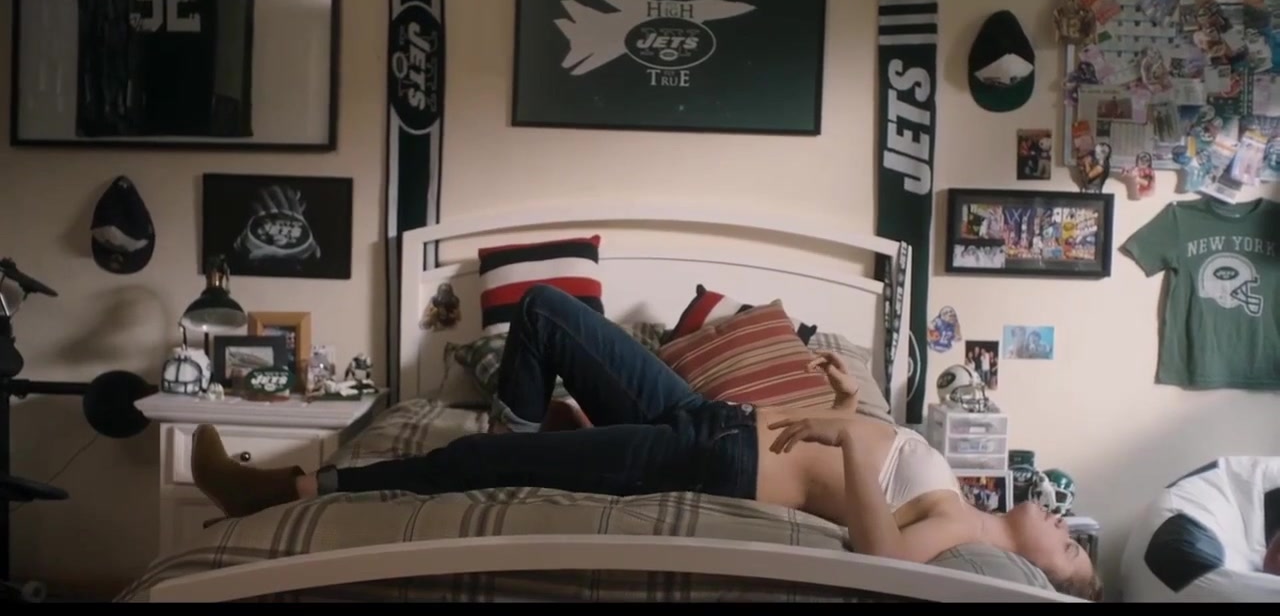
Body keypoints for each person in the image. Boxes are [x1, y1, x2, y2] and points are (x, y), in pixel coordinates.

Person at [190, 284, 1100, 600]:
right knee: (543, 310)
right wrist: (844, 400)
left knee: (479, 463)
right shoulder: (959, 490)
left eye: (1067, 549)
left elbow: (884, 555)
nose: (1062, 525)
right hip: (707, 414)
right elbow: (866, 457)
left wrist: (856, 446)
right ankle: (531, 432)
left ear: (1039, 572)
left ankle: (297, 490)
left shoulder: (964, 534)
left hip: (716, 460)